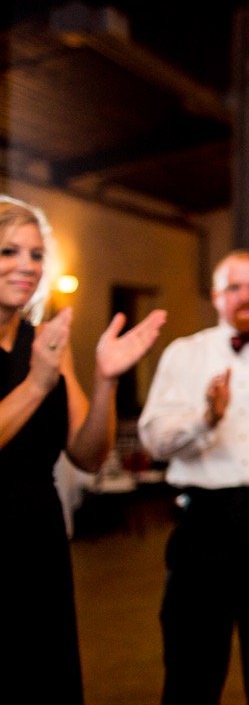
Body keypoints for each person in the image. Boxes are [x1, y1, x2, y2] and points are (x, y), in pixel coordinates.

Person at [0, 196, 166, 705]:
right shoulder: (42, 362)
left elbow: (88, 455)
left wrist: (106, 380)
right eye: (9, 251)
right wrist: (36, 384)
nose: (27, 266)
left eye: (36, 254)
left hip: (37, 537)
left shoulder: (46, 342)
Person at [138, 249, 249, 705]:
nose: (245, 296)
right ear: (215, 296)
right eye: (234, 287)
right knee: (190, 672)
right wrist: (206, 419)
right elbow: (154, 441)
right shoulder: (184, 354)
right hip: (203, 526)